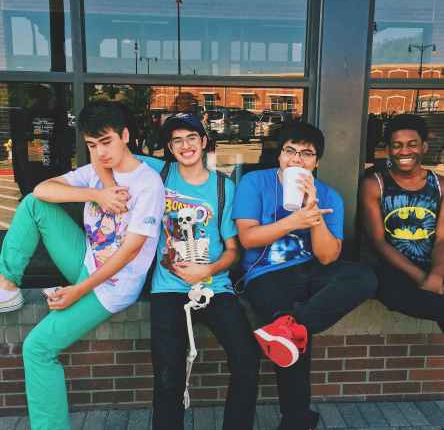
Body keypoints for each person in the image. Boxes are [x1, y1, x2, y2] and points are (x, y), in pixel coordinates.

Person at [0, 100, 165, 429]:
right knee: (33, 204)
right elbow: (41, 189)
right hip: (86, 259)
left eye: (106, 142)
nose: (100, 152)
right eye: (92, 145)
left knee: (37, 348)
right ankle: (7, 284)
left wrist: (79, 290)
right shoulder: (96, 172)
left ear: (125, 136)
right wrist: (97, 194)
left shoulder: (148, 184)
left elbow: (130, 251)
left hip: (112, 285)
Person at [99, 112, 259, 430]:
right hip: (168, 288)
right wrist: (105, 191)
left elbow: (232, 250)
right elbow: (108, 158)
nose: (185, 146)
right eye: (177, 141)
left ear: (204, 141)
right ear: (170, 148)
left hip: (214, 286)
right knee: (167, 375)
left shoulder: (223, 187)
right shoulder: (157, 173)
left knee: (247, 360)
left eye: (191, 138)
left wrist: (208, 269)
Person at [232, 120, 377, 430]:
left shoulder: (329, 196)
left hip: (312, 270)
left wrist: (314, 214)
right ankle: (297, 419)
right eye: (290, 151)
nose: (297, 160)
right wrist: (293, 221)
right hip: (265, 273)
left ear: (316, 162)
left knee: (363, 278)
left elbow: (328, 257)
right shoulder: (255, 183)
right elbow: (248, 238)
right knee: (295, 331)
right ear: (280, 155)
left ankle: (289, 329)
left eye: (306, 154)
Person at [360, 113, 444, 330]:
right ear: (388, 149)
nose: (404, 151)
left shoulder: (440, 185)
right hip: (392, 271)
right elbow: (379, 242)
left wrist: (436, 274)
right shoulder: (375, 184)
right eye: (397, 145)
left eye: (412, 144)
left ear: (424, 147)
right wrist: (422, 278)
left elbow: (442, 238)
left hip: (434, 263)